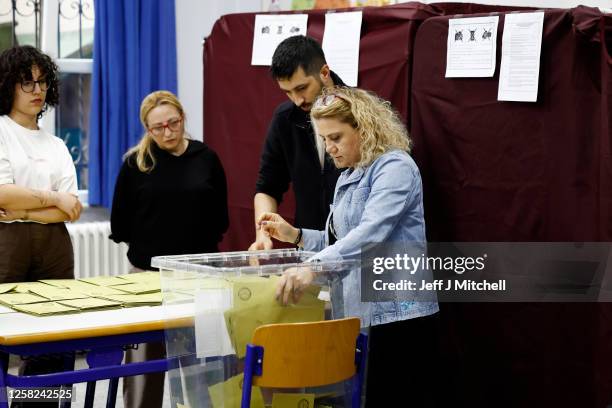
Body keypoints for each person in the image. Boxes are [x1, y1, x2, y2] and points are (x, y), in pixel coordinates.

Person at [257, 87, 440, 407]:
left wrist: (312, 267)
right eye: (324, 139)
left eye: (336, 137)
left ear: (364, 129)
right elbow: (339, 243)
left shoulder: (395, 166)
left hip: (398, 315)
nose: (329, 148)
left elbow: (370, 235)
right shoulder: (349, 175)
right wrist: (296, 235)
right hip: (359, 313)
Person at [110, 90, 229, 408]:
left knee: (203, 362)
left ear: (183, 119)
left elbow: (221, 218)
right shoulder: (136, 164)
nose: (167, 132)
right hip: (148, 276)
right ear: (147, 129)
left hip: (200, 273)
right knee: (142, 365)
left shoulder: (206, 158)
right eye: (157, 127)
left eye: (172, 123)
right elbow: (119, 224)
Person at [0, 45, 82, 407]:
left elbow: (71, 209)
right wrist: (53, 199)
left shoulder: (57, 145)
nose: (37, 91)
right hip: (8, 244)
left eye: (42, 82)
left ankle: (40, 405)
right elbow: (2, 193)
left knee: (53, 339)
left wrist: (28, 209)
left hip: (54, 247)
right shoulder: (1, 131)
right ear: (8, 86)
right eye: (27, 83)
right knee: (6, 335)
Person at [249, 35, 345, 251]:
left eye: (302, 88)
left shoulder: (362, 111)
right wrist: (262, 235)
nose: (297, 100)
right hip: (308, 247)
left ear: (324, 73)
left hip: (356, 251)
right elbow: (267, 187)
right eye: (287, 92)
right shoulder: (284, 119)